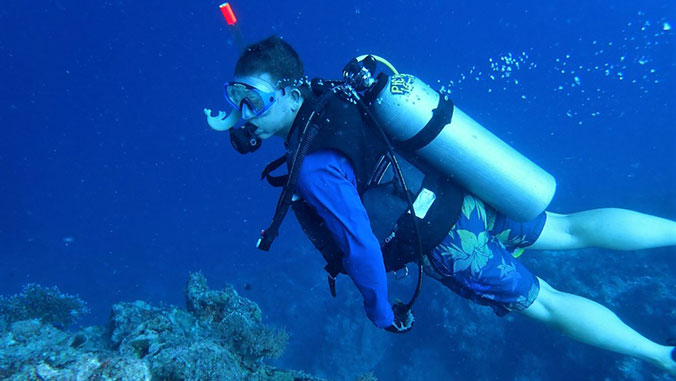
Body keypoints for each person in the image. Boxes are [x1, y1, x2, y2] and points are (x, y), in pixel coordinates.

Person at [204, 35, 676, 374]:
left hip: (450, 244)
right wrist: (239, 118)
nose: (245, 115)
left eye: (253, 101)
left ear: (288, 92)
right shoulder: (327, 96)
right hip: (464, 190)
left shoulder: (313, 168)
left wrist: (380, 310)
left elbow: (362, 248)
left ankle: (660, 356)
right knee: (569, 228)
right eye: (235, 98)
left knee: (548, 303)